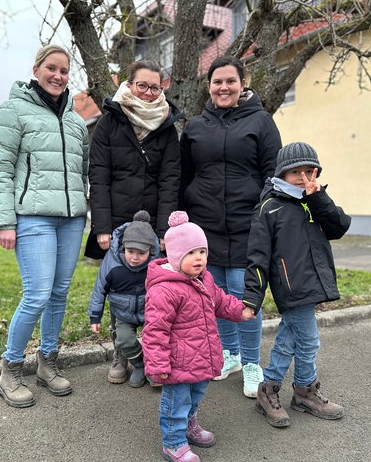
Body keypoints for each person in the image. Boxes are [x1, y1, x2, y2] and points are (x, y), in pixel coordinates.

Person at [0, 45, 89, 408]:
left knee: (60, 293)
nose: (58, 76)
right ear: (37, 69)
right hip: (32, 217)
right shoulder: (13, 111)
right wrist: (4, 221)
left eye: (64, 70)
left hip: (72, 219)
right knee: (38, 294)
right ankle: (10, 368)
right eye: (51, 68)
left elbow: (83, 172)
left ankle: (48, 362)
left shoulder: (76, 121)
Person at [179, 55, 282, 398]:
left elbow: (274, 173)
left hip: (246, 226)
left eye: (230, 81)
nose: (223, 87)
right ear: (208, 86)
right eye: (217, 82)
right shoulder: (195, 126)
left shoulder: (261, 121)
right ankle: (230, 355)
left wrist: (263, 211)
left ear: (241, 85)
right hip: (204, 227)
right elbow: (184, 175)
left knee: (244, 297)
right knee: (216, 295)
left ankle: (253, 362)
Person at [85, 59, 183, 384]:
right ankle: (121, 352)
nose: (149, 92)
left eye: (155, 87)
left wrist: (165, 229)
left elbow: (171, 179)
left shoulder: (167, 127)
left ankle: (154, 355)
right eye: (143, 85)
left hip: (154, 224)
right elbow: (97, 176)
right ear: (129, 85)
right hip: (115, 222)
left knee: (156, 292)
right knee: (120, 286)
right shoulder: (109, 122)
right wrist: (100, 226)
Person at [243, 142, 351, 427]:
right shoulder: (270, 208)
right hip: (292, 287)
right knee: (308, 341)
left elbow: (339, 226)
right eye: (296, 173)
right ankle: (304, 390)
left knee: (289, 338)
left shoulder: (312, 201)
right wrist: (252, 298)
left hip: (313, 283)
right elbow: (257, 258)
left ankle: (271, 391)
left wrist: (319, 197)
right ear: (282, 174)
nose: (304, 178)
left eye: (309, 171)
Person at [142, 211, 255, 462]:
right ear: (174, 255)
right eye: (190, 253)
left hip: (202, 357)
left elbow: (220, 301)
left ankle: (189, 425)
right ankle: (173, 441)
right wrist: (158, 364)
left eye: (202, 252)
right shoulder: (165, 290)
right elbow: (155, 331)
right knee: (176, 402)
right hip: (177, 362)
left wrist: (240, 310)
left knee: (195, 396)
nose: (199, 258)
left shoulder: (204, 279)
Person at [87, 210, 160, 388]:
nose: (135, 258)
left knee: (158, 339)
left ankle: (155, 367)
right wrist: (95, 316)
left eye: (141, 253)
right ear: (123, 247)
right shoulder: (112, 263)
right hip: (123, 313)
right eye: (130, 251)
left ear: (150, 251)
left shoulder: (156, 264)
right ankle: (140, 365)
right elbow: (99, 289)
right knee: (124, 339)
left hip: (149, 311)